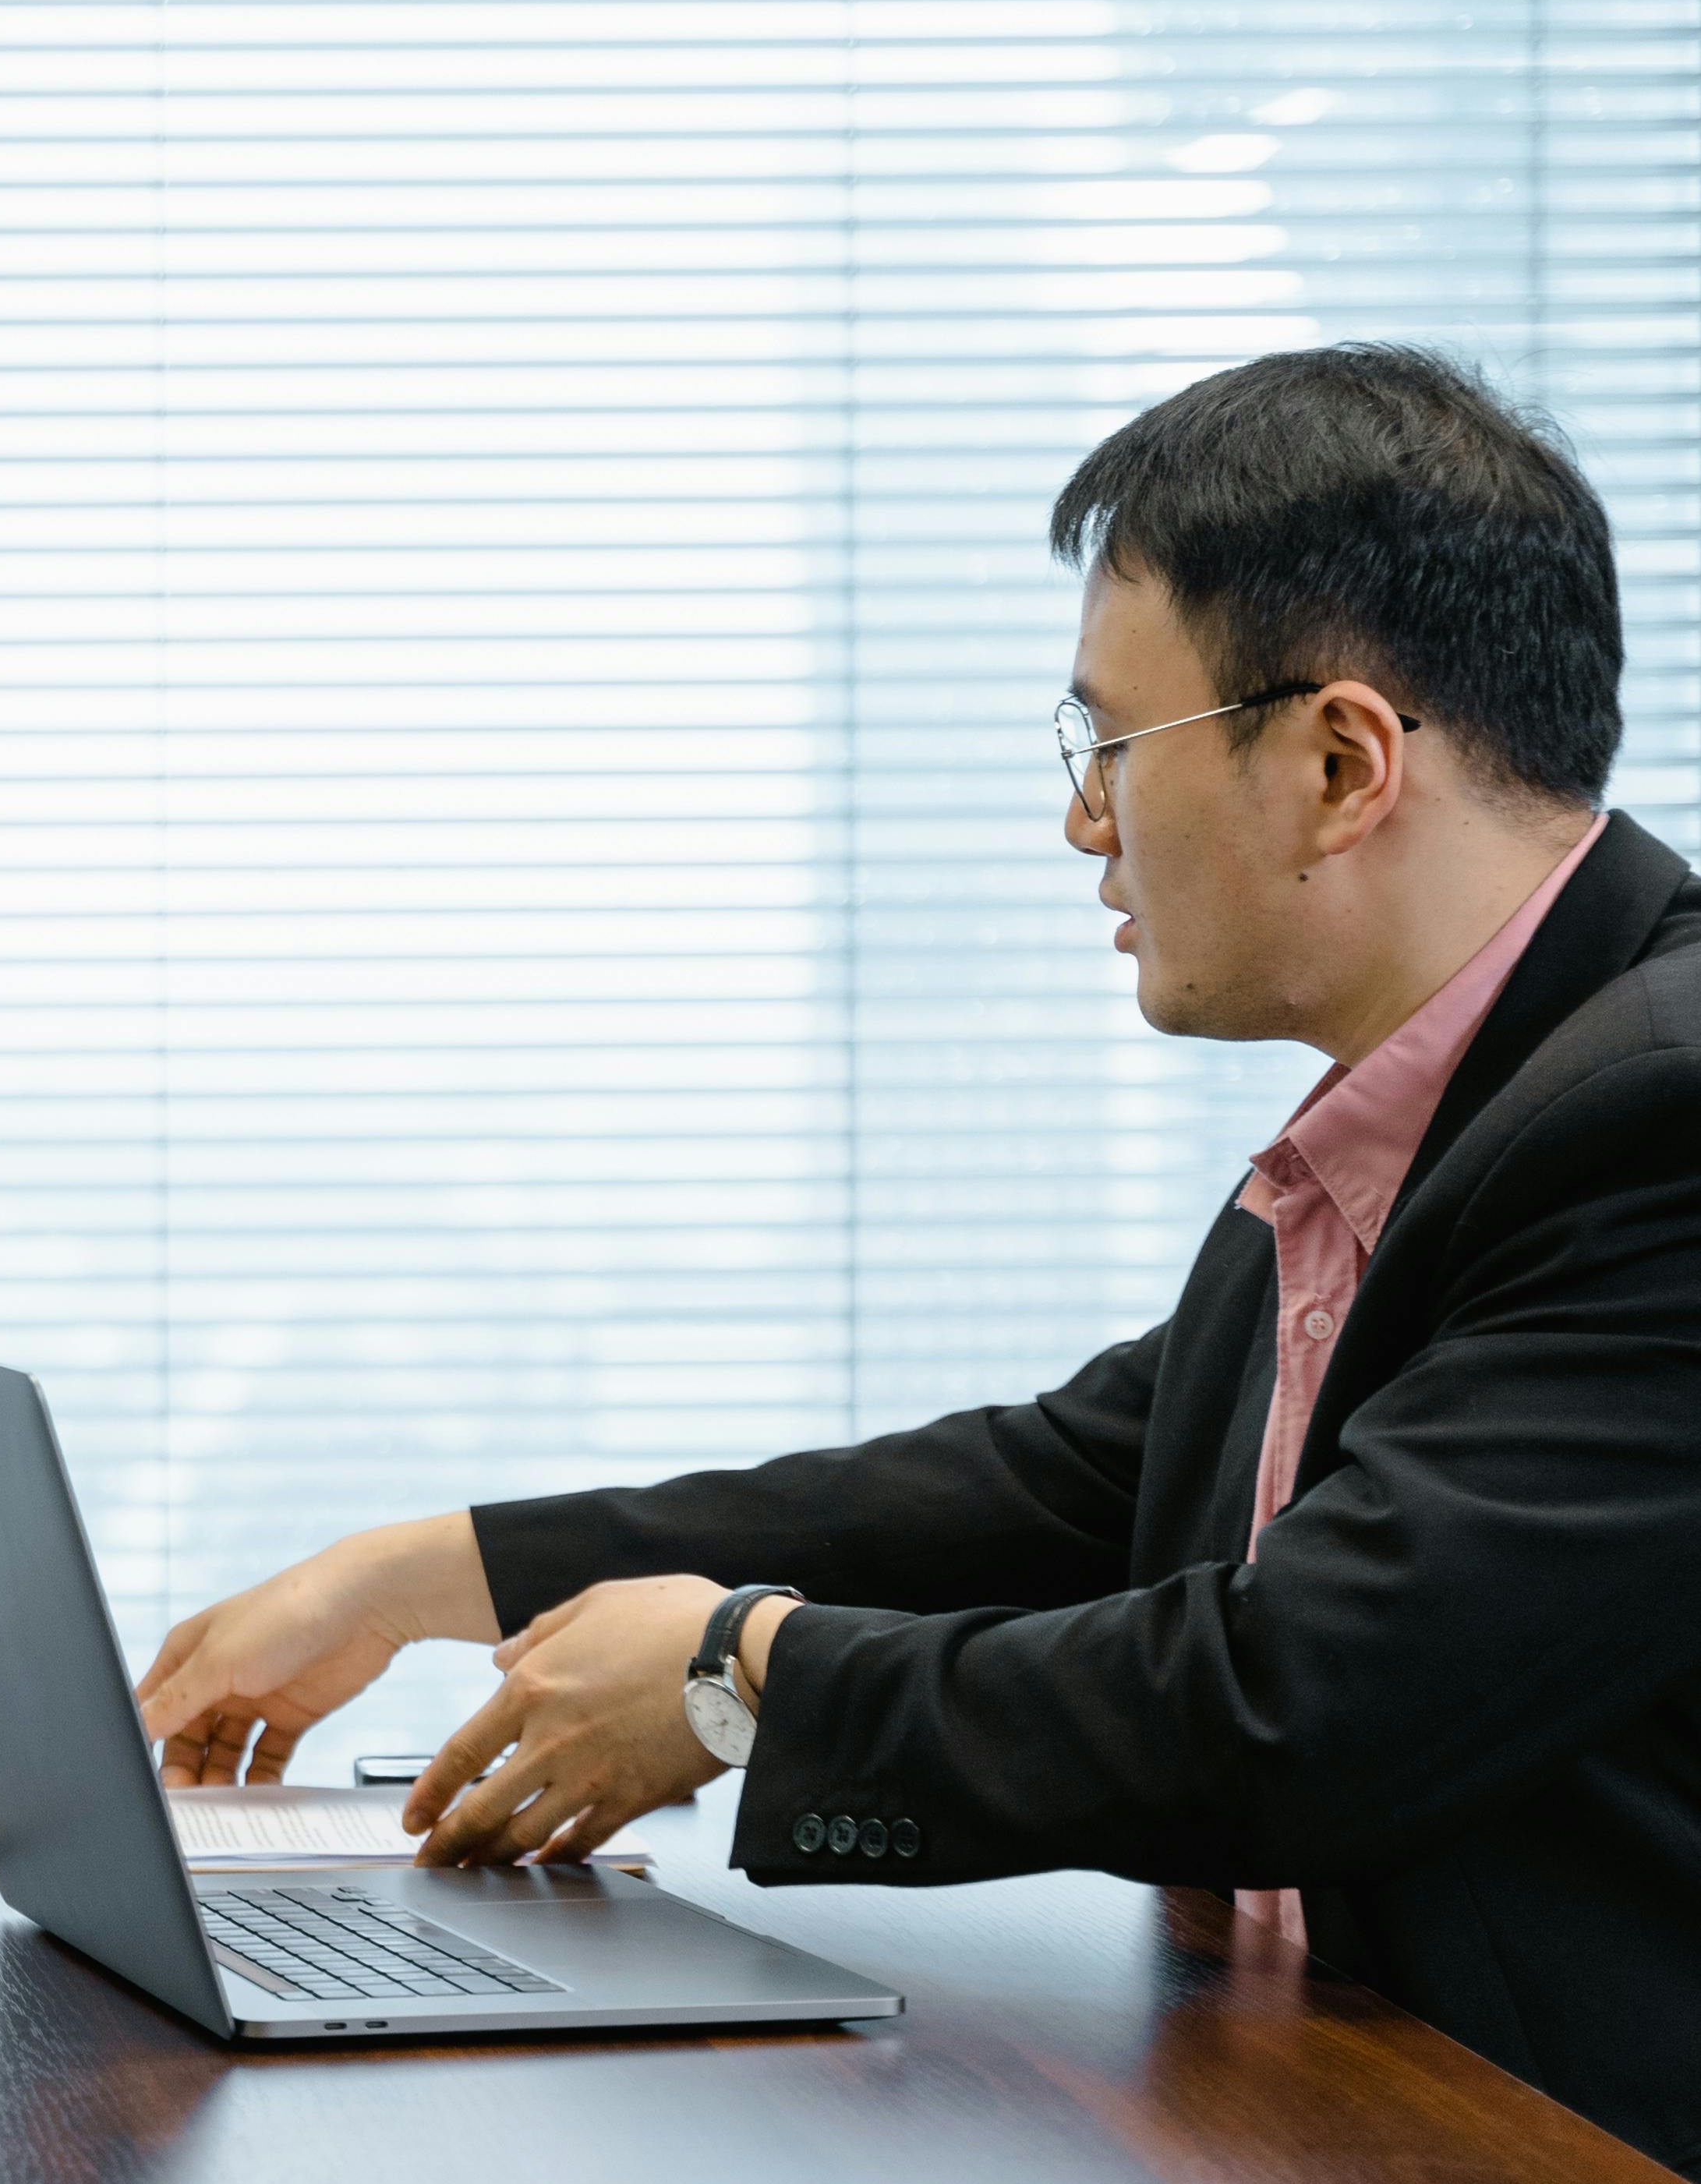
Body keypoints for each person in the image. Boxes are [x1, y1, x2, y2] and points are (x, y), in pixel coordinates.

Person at [133, 345, 1701, 2175]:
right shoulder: (1429, 1112)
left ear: (1340, 761)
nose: (1079, 822)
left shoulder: (1654, 1119)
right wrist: (419, 1572)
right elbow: (1050, 1485)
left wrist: (739, 1673)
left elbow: (1301, 1698)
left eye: (1110, 748)